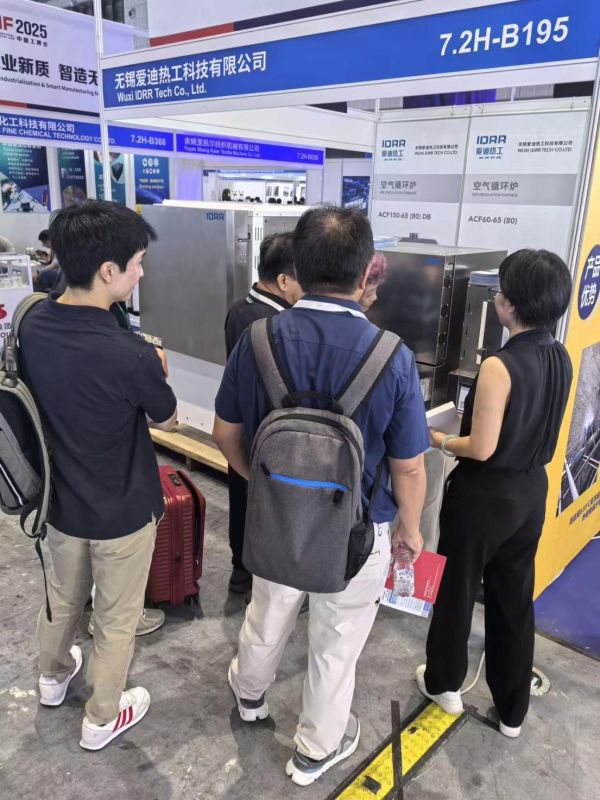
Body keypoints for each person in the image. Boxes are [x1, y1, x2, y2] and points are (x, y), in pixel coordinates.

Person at [213, 205, 428, 786]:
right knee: (337, 639)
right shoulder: (392, 355)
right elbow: (409, 466)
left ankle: (250, 696)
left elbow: (225, 434)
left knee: (268, 612)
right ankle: (315, 748)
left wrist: (262, 486)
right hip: (359, 530)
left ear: (298, 269)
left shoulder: (257, 339)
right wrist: (410, 529)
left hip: (277, 518)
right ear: (365, 274)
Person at [20, 200, 177, 750]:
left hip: (58, 502)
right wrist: (158, 370)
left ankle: (52, 677)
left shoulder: (32, 321)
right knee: (115, 617)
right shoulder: (130, 354)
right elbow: (166, 417)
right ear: (108, 271)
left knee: (61, 598)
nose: (141, 273)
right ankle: (102, 717)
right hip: (122, 511)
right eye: (137, 262)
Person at [420, 249, 573, 738]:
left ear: (509, 305)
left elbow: (481, 447)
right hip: (530, 493)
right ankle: (512, 711)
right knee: (513, 600)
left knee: (457, 589)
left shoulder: (499, 366)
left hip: (484, 495)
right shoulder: (561, 356)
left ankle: (444, 684)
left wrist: (439, 439)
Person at [224, 232, 302, 593]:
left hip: (242, 426)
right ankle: (257, 580)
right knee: (264, 509)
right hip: (269, 436)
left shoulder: (240, 308)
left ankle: (241, 570)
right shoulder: (274, 325)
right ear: (283, 280)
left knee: (241, 500)